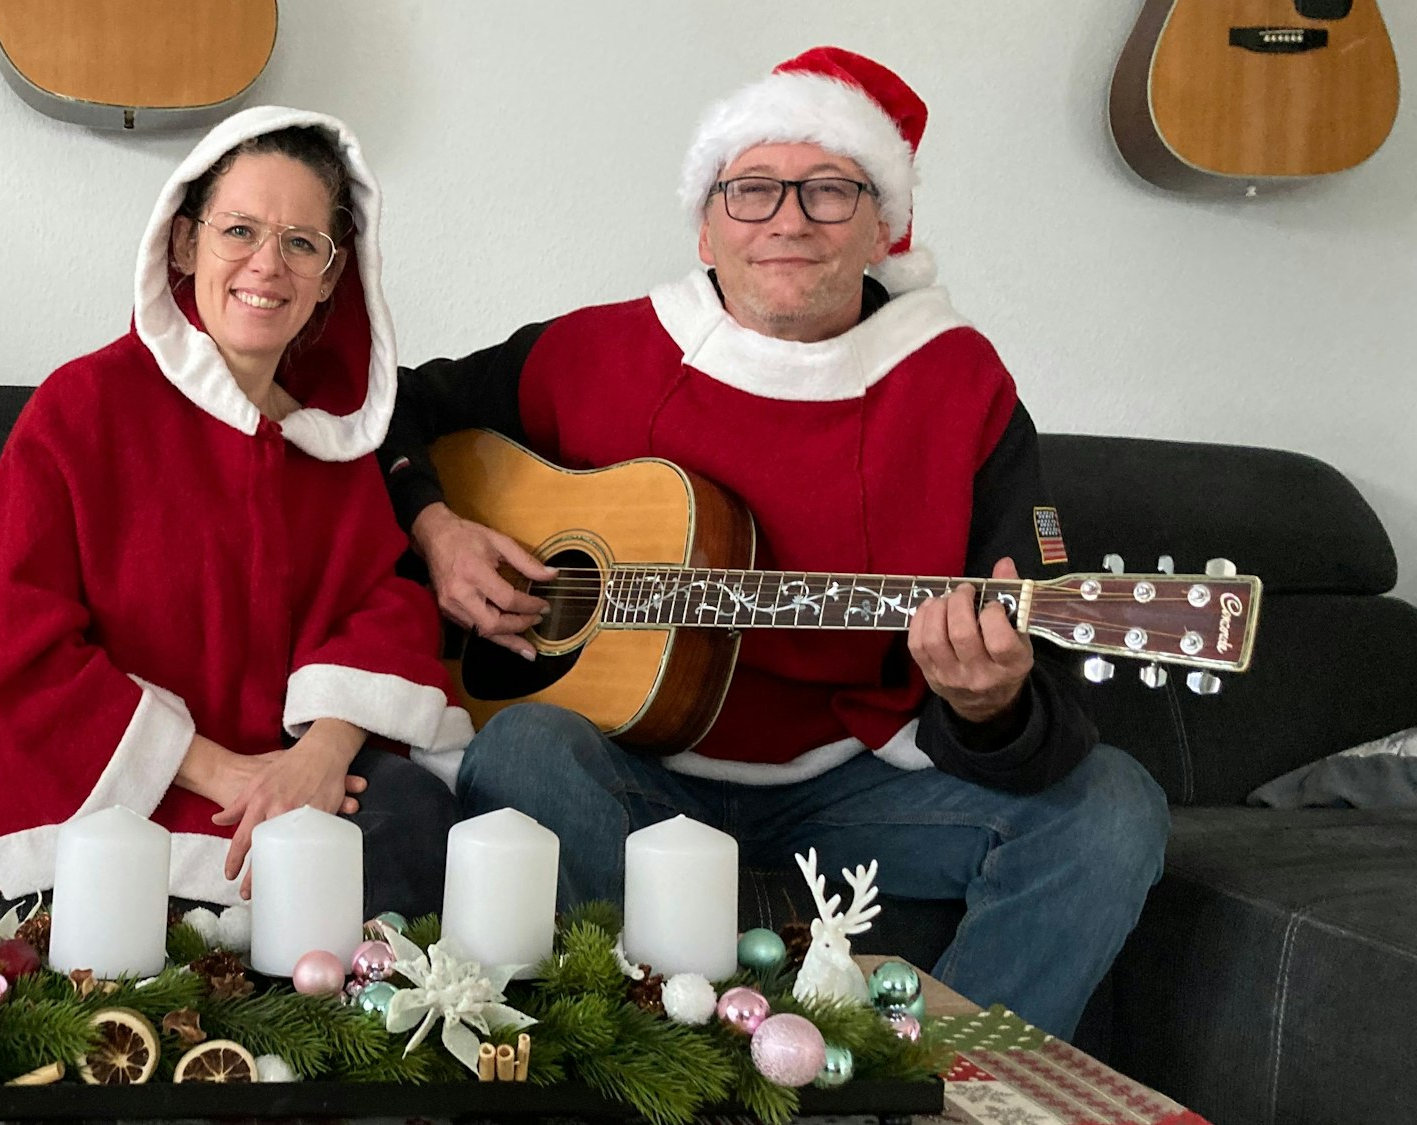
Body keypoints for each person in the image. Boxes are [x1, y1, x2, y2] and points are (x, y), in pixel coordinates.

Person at [375, 48, 1168, 1038]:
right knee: (522, 745)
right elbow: (386, 406)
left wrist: (989, 703)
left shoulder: (956, 385)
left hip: (850, 784)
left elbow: (1030, 693)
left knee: (1111, 808)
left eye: (828, 191)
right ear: (705, 225)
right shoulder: (597, 351)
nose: (787, 220)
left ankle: (942, 1083)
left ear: (881, 225)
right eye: (750, 191)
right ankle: (637, 1068)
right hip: (630, 777)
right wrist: (437, 527)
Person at [0, 107, 469, 919]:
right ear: (185, 243)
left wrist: (323, 751)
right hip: (138, 789)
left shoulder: (326, 445)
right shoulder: (82, 409)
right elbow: (11, 641)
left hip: (294, 781)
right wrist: (219, 769)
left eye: (302, 243)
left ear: (333, 276)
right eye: (240, 231)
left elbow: (385, 600)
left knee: (419, 820)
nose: (268, 265)